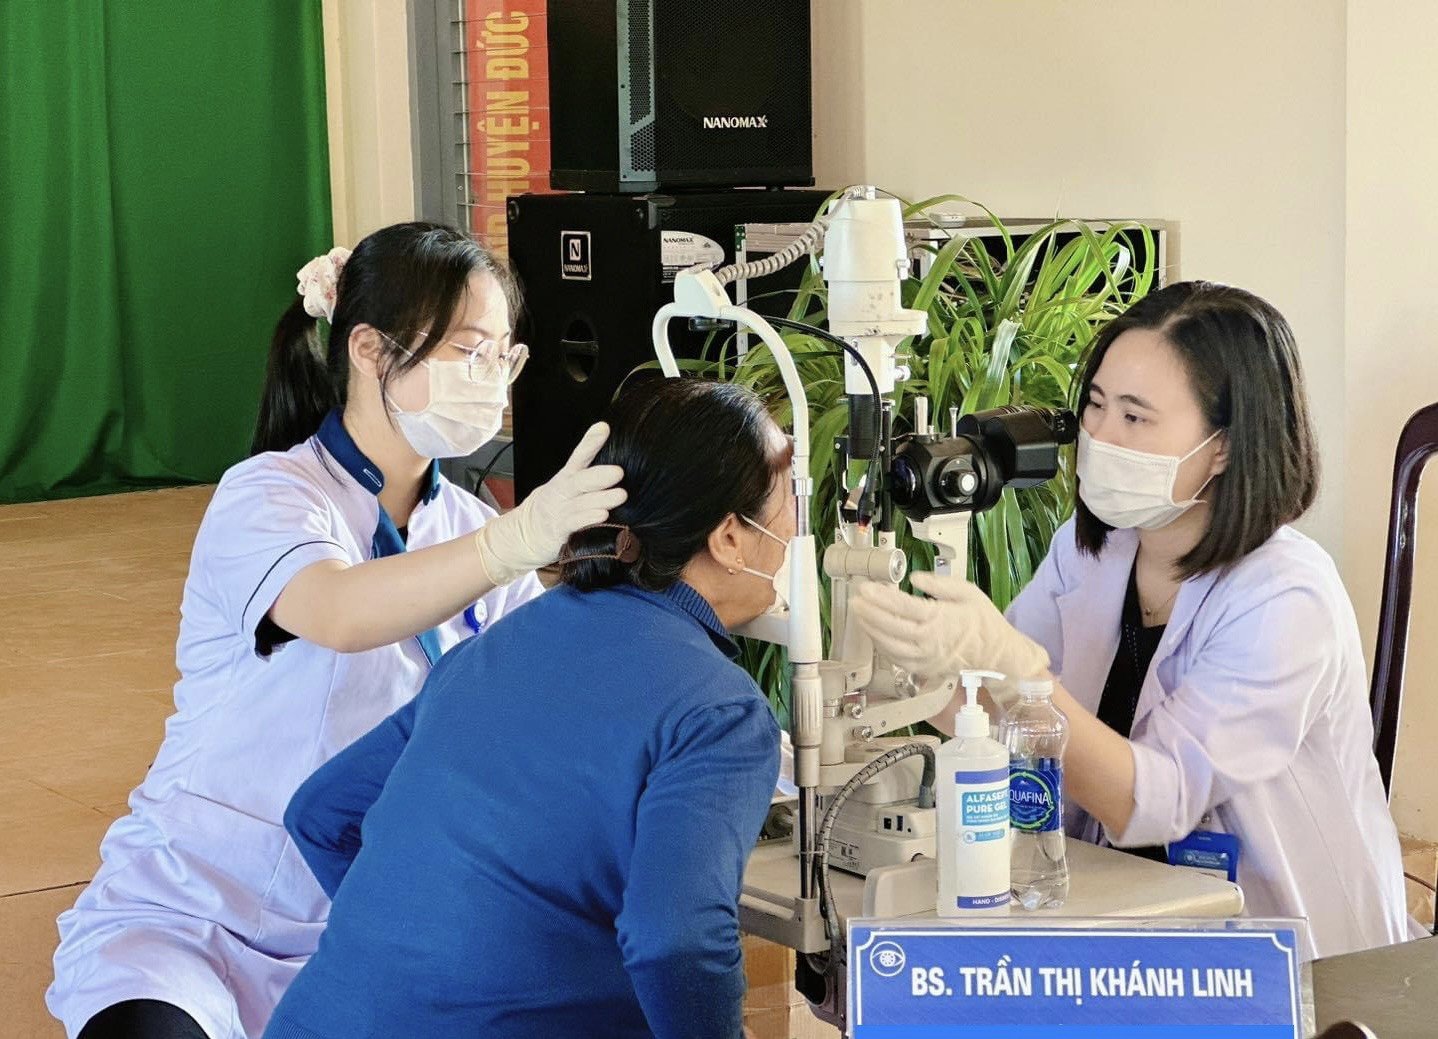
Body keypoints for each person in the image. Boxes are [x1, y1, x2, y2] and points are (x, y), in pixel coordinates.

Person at [48, 222, 626, 1039]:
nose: (491, 379)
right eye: (468, 350)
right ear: (369, 348)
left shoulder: (466, 528)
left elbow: (567, 682)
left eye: (504, 355)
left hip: (368, 925)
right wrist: (511, 544)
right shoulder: (271, 495)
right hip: (194, 914)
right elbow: (342, 610)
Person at [851, 281, 1411, 959]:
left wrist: (1018, 671)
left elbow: (1155, 797)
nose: (1100, 436)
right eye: (1094, 405)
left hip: (1291, 958)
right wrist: (929, 671)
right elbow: (999, 728)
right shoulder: (1090, 553)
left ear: (1225, 446)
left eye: (1135, 418)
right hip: (1132, 914)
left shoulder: (1288, 598)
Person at [260, 378, 788, 1039]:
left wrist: (429, 954)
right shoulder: (718, 711)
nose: (798, 519)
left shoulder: (494, 647)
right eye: (789, 494)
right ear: (731, 537)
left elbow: (322, 813)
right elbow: (677, 941)